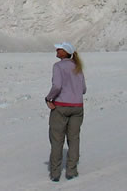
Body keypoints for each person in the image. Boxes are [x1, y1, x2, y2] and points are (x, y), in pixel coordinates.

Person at [45, 42, 86, 182]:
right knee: (74, 139)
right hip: (77, 107)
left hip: (61, 106)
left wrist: (49, 98)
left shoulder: (58, 66)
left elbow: (57, 85)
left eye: (60, 49)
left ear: (66, 52)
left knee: (57, 140)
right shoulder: (78, 67)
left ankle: (55, 173)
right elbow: (84, 89)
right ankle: (72, 171)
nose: (57, 50)